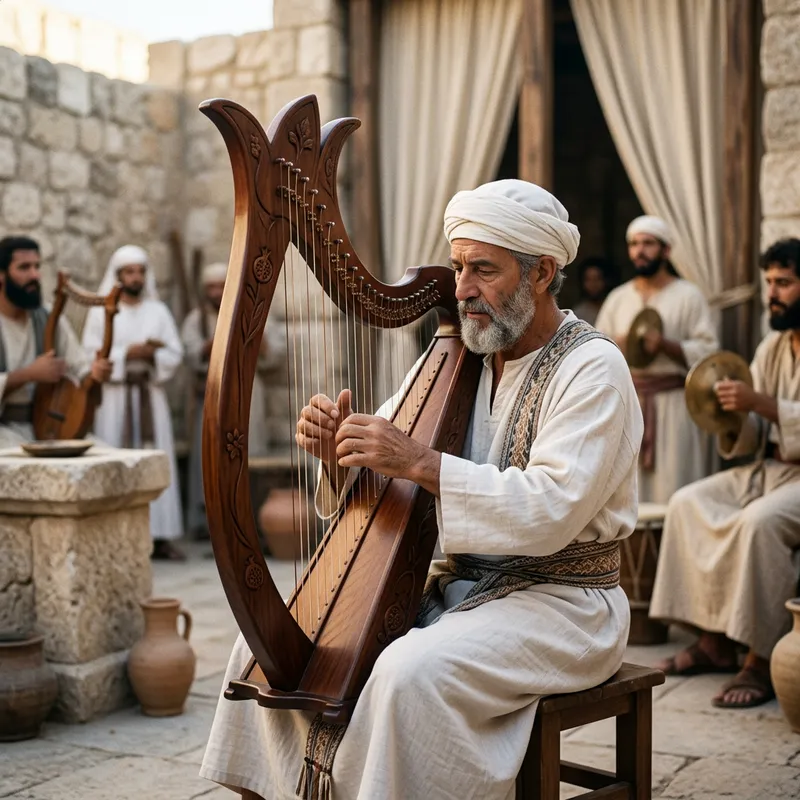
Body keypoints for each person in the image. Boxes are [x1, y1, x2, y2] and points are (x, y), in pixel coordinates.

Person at [200, 180, 644, 800]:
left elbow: (551, 509)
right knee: (275, 649)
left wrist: (421, 462)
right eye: (458, 267)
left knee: (407, 674)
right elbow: (388, 462)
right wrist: (341, 458)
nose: (461, 289)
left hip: (565, 604)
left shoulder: (593, 368)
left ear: (542, 272)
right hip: (463, 588)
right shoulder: (461, 353)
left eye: (483, 270)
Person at [650, 238, 800, 709]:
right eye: (768, 282)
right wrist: (733, 414)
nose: (772, 293)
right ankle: (712, 640)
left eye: (783, 283)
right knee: (686, 502)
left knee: (758, 523)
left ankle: (760, 658)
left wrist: (761, 404)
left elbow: (768, 408)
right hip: (768, 469)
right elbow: (754, 431)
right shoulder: (773, 346)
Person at [595, 215, 718, 504]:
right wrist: (616, 345)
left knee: (675, 484)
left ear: (666, 250)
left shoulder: (689, 296)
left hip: (674, 407)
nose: (640, 251)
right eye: (634, 244)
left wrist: (665, 345)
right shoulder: (618, 298)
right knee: (626, 491)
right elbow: (595, 350)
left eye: (648, 243)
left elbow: (709, 353)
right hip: (628, 404)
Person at [82, 245, 185, 560]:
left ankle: (160, 536)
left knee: (155, 460)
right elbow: (88, 355)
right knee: (115, 458)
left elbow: (174, 352)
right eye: (129, 272)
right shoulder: (102, 311)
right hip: (114, 400)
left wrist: (152, 355)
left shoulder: (158, 311)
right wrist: (127, 354)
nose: (135, 277)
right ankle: (116, 538)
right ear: (118, 276)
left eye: (140, 271)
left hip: (150, 396)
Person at [181, 261, 286, 537]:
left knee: (247, 451)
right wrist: (210, 346)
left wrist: (256, 334)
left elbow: (275, 353)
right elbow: (189, 354)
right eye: (211, 287)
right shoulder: (197, 319)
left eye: (221, 286)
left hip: (249, 393)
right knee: (211, 456)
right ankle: (210, 523)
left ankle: (249, 522)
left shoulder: (254, 308)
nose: (217, 292)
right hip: (212, 392)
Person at [0, 236, 111, 447]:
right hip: (4, 431)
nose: (35, 275)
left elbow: (79, 368)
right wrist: (29, 374)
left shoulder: (48, 317)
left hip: (50, 426)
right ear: (2, 275)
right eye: (24, 267)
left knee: (104, 452)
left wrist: (95, 375)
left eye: (37, 266)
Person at [573, 256, 612, 326]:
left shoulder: (614, 306)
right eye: (588, 280)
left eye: (597, 279)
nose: (593, 284)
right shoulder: (578, 315)